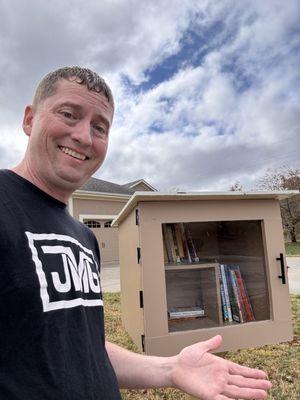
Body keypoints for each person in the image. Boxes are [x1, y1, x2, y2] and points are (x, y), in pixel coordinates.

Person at [0, 66, 272, 400]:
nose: (85, 136)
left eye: (100, 128)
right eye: (69, 114)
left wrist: (171, 369)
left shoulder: (83, 237)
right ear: (29, 120)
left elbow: (83, 346)